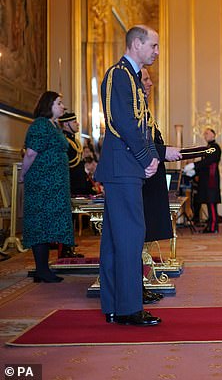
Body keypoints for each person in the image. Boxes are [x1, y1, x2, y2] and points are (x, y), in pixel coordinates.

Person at [95, 25, 163, 326]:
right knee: (130, 237)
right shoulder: (118, 75)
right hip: (122, 168)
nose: (156, 52)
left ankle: (113, 306)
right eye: (154, 45)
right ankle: (128, 309)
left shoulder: (133, 79)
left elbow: (143, 124)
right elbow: (121, 122)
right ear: (137, 44)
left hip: (127, 167)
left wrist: (151, 156)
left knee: (114, 240)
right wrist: (145, 157)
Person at [19, 91, 74, 283]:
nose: (62, 106)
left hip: (53, 185)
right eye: (59, 103)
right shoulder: (41, 125)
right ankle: (41, 270)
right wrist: (23, 174)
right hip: (42, 184)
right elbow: (31, 153)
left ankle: (43, 268)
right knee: (40, 224)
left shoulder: (53, 125)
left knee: (47, 223)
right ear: (48, 105)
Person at [140, 68, 181, 303]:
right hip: (142, 180)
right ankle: (137, 287)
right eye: (146, 79)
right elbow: (139, 144)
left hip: (152, 178)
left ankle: (142, 284)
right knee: (139, 237)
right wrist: (166, 152)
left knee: (146, 237)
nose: (151, 83)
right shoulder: (133, 110)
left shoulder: (145, 110)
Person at [58, 111, 86, 258]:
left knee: (72, 218)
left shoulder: (74, 142)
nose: (77, 124)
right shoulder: (64, 141)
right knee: (67, 217)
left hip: (77, 184)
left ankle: (69, 248)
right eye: (74, 122)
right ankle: (64, 249)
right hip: (69, 183)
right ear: (66, 124)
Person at [194, 128, 222, 233]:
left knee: (211, 202)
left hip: (212, 179)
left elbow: (208, 161)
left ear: (213, 135)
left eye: (207, 133)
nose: (204, 135)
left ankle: (213, 226)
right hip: (208, 179)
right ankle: (210, 225)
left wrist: (194, 166)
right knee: (209, 202)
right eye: (204, 133)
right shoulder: (208, 147)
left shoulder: (215, 147)